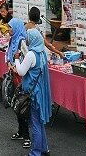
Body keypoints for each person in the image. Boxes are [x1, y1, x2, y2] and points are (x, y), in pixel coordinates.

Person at [13, 28, 53, 156]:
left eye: (28, 38)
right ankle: (44, 148)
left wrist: (17, 59)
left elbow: (21, 72)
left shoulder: (31, 55)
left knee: (35, 123)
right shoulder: (42, 52)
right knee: (40, 122)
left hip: (33, 94)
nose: (27, 40)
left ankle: (36, 152)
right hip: (40, 91)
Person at [6, 18, 31, 149]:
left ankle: (27, 136)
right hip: (14, 78)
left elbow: (27, 59)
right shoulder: (12, 40)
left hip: (22, 79)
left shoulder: (22, 41)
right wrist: (10, 64)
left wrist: (17, 66)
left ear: (16, 28)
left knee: (23, 107)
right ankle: (21, 131)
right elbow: (7, 54)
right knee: (17, 106)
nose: (9, 29)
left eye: (10, 27)